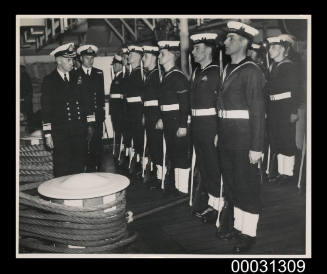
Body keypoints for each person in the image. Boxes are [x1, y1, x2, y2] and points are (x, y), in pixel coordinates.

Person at [216, 21, 266, 253]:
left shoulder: (252, 71)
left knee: (247, 186)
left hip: (245, 140)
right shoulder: (227, 68)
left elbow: (257, 112)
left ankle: (249, 233)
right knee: (233, 184)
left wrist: (256, 146)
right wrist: (219, 133)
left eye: (231, 39)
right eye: (226, 39)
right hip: (227, 138)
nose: (225, 42)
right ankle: (237, 226)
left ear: (244, 42)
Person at [41, 43, 93, 177]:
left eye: (73, 59)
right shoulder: (49, 81)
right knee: (62, 167)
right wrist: (47, 134)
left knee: (79, 165)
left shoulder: (78, 77)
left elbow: (87, 102)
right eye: (68, 60)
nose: (72, 63)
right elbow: (46, 109)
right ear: (58, 61)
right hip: (61, 133)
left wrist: (90, 124)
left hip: (78, 131)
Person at [189, 33, 223, 224]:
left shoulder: (216, 72)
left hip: (211, 126)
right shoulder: (197, 72)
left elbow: (220, 104)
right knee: (204, 166)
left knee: (213, 166)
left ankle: (219, 207)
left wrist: (219, 130)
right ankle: (212, 202)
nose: (193, 52)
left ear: (209, 50)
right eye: (194, 48)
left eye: (197, 48)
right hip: (198, 127)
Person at [157, 40, 191, 195]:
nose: (159, 56)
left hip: (177, 121)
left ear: (172, 56)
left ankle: (183, 188)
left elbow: (185, 103)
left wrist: (183, 124)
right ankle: (178, 186)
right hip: (169, 120)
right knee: (173, 152)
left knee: (181, 154)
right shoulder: (167, 76)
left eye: (162, 53)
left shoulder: (178, 77)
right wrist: (162, 118)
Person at [265, 34, 299, 185]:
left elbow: (296, 91)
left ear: (283, 49)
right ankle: (281, 172)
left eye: (274, 47)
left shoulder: (289, 66)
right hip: (274, 109)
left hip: (285, 109)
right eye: (270, 47)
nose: (270, 51)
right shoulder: (273, 66)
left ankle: (289, 173)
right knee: (277, 139)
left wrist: (293, 111)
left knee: (286, 140)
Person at [76, 44, 105, 172]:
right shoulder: (75, 74)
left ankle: (97, 166)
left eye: (92, 58)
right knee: (84, 142)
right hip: (82, 115)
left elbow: (100, 95)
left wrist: (101, 113)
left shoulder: (99, 73)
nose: (90, 60)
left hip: (97, 113)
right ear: (81, 58)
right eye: (87, 58)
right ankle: (85, 167)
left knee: (97, 141)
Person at [142, 45, 163, 188]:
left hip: (156, 115)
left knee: (158, 146)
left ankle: (161, 177)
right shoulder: (149, 75)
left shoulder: (158, 75)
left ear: (154, 58)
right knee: (153, 146)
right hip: (149, 115)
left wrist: (161, 118)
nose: (143, 59)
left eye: (146, 56)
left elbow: (162, 99)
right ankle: (157, 174)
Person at [125, 44, 145, 178]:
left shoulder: (141, 73)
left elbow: (144, 96)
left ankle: (144, 167)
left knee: (141, 139)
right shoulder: (132, 73)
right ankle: (139, 164)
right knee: (136, 139)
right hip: (131, 111)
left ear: (138, 56)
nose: (129, 56)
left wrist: (143, 114)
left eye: (132, 54)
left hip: (138, 111)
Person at [108, 54, 125, 164]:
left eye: (115, 64)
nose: (113, 67)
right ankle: (117, 152)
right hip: (115, 111)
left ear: (120, 65)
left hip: (120, 111)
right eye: (113, 65)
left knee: (120, 132)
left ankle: (121, 153)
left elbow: (123, 97)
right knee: (117, 131)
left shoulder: (122, 78)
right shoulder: (116, 78)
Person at [20, 65, 34, 133]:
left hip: (26, 98)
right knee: (27, 115)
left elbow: (27, 88)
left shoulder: (24, 76)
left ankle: (29, 129)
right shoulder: (25, 75)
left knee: (28, 115)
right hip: (26, 98)